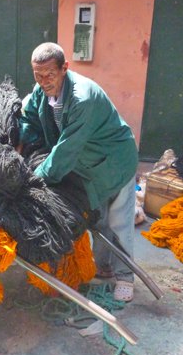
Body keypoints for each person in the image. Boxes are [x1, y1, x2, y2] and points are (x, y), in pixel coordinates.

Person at [18, 42, 139, 301]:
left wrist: (33, 180)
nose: (43, 81)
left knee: (118, 222)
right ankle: (105, 268)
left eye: (49, 74)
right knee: (99, 219)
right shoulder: (42, 92)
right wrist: (19, 144)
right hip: (87, 166)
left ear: (65, 69)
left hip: (114, 161)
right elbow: (29, 117)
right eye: (37, 75)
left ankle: (125, 278)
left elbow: (65, 151)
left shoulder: (82, 98)